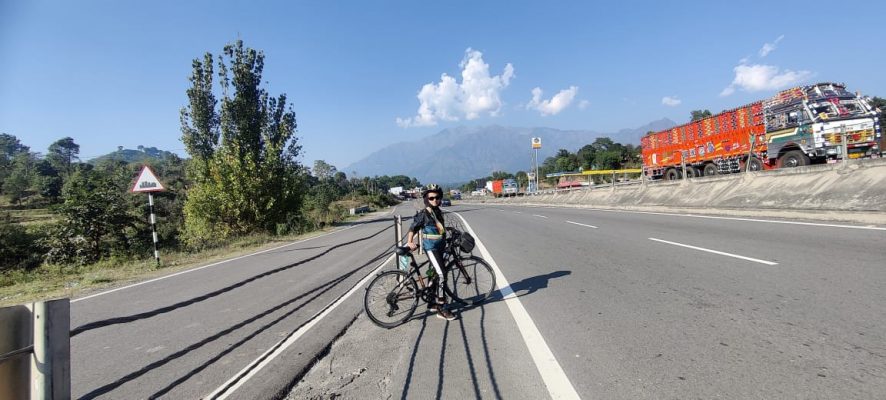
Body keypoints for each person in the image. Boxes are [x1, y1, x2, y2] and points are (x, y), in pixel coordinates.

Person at [406, 183, 457, 321]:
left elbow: (438, 228)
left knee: (434, 273)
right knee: (442, 275)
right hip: (431, 248)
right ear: (426, 199)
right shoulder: (424, 214)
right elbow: (413, 228)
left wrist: (449, 231)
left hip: (440, 246)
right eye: (431, 198)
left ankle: (431, 302)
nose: (435, 200)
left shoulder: (438, 211)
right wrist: (410, 242)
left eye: (437, 197)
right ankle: (441, 307)